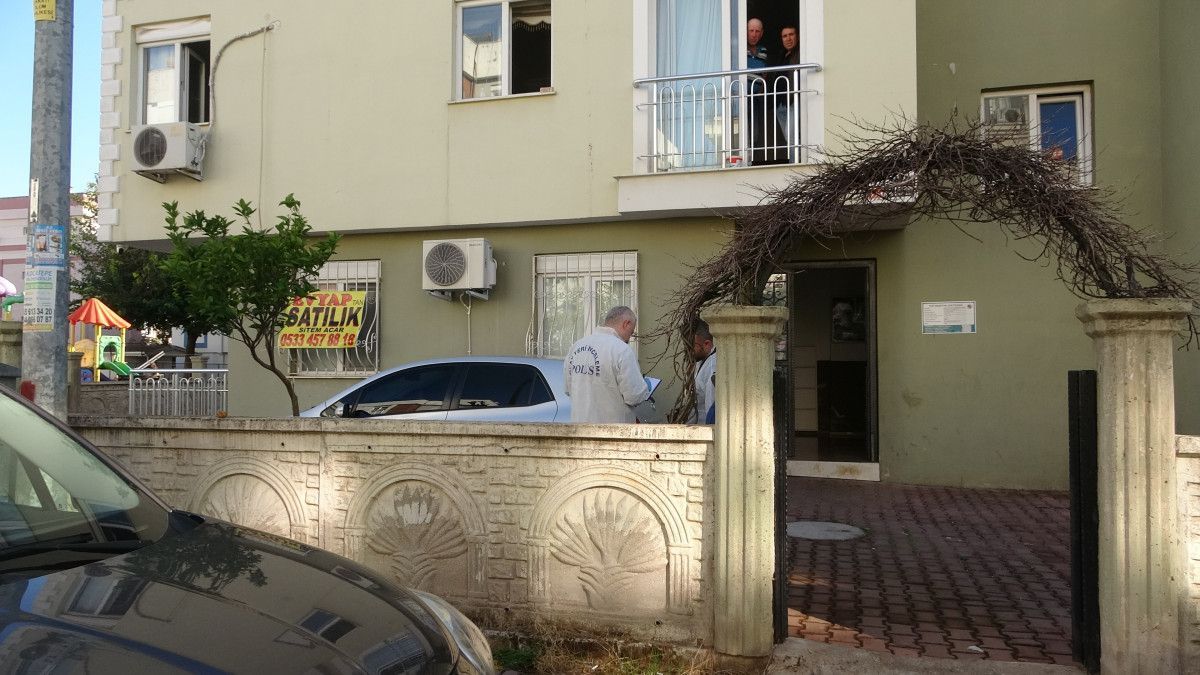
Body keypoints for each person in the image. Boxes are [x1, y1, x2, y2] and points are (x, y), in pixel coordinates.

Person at [564, 306, 652, 423]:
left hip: (580, 427)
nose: (629, 338)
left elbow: (568, 389)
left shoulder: (576, 347)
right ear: (626, 323)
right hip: (612, 429)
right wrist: (646, 387)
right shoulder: (622, 350)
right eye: (631, 332)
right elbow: (634, 397)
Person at [744, 18, 771, 165]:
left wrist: (762, 88)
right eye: (751, 31)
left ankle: (751, 161)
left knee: (755, 132)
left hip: (757, 98)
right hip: (742, 96)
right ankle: (745, 161)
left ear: (761, 33)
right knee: (743, 130)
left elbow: (765, 73)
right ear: (746, 31)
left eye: (757, 31)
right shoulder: (740, 48)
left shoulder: (764, 50)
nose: (754, 34)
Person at [774, 25, 800, 161]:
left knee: (791, 136)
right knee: (788, 137)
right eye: (785, 36)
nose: (788, 39)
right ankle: (796, 161)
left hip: (793, 101)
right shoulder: (781, 55)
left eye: (791, 34)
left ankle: (795, 164)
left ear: (797, 36)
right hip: (781, 104)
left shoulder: (801, 53)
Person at [686, 319, 716, 424]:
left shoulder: (712, 366)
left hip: (706, 428)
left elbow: (711, 408)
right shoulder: (702, 360)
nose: (689, 351)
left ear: (707, 344)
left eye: (693, 346)